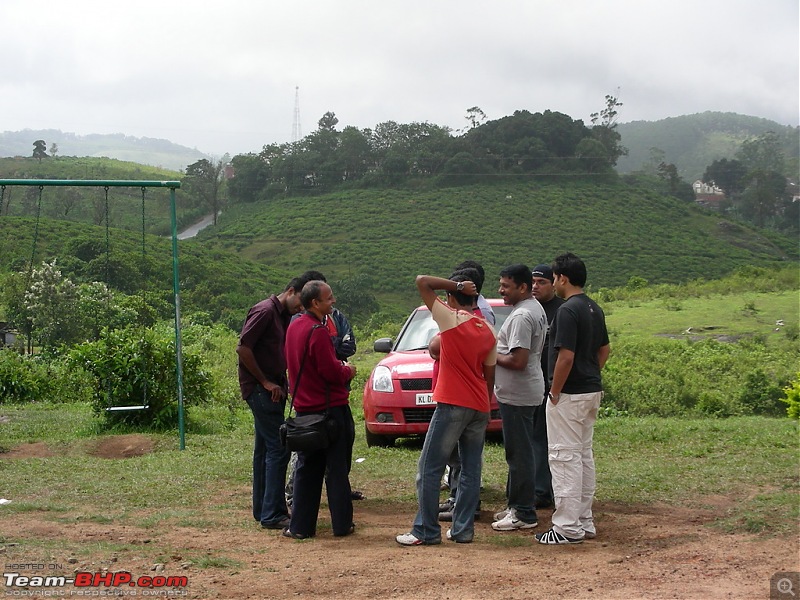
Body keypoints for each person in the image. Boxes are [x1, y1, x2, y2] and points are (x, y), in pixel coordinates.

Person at [396, 273, 497, 545]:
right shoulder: (487, 328)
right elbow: (489, 374)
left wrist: (456, 286)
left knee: (429, 468)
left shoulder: (450, 319)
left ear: (452, 299)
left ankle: (426, 530)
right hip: (478, 405)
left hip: (453, 403)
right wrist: (485, 406)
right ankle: (462, 530)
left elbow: (421, 281)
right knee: (470, 469)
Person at [536, 253, 610, 545]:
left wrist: (556, 390)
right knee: (582, 456)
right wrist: (589, 373)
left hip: (569, 394)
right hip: (591, 390)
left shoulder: (567, 311)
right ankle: (584, 520)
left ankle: (567, 527)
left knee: (563, 458)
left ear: (562, 278)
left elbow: (565, 356)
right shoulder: (594, 308)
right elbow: (604, 350)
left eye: (553, 277)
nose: (554, 282)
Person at [282, 280, 357, 539]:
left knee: (307, 468)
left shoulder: (294, 327)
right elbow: (330, 371)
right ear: (315, 303)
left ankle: (300, 527)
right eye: (329, 298)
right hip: (330, 411)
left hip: (304, 411)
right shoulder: (318, 331)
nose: (333, 301)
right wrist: (348, 370)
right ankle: (342, 525)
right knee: (336, 469)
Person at [237, 275, 310, 530]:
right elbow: (243, 347)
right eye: (300, 302)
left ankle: (263, 510)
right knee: (279, 447)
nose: (301, 309)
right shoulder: (265, 311)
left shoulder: (283, 315)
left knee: (266, 450)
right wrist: (265, 382)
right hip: (261, 390)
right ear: (290, 291)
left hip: (274, 389)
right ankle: (273, 514)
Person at [491, 264, 548, 532]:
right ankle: (516, 505)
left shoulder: (523, 316)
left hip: (519, 394)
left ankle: (524, 512)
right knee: (519, 451)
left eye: (506, 286)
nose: (501, 290)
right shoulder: (532, 309)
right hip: (523, 391)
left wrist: (489, 356)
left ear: (522, 287)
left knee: (520, 454)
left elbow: (518, 360)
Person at [530, 264, 565, 509]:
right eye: (532, 282)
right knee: (532, 439)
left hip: (552, 386)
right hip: (531, 384)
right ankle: (533, 487)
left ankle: (544, 490)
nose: (536, 286)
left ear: (553, 283)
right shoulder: (527, 310)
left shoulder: (562, 311)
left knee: (548, 440)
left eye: (541, 282)